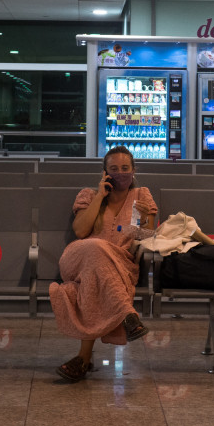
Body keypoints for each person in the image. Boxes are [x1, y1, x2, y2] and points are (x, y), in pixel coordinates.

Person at [49, 145, 157, 382]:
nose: (121, 174)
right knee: (96, 246)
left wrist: (147, 218)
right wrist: (100, 196)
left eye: (125, 169)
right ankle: (127, 314)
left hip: (119, 264)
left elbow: (147, 238)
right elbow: (80, 231)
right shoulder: (88, 195)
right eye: (114, 169)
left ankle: (83, 360)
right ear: (104, 173)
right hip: (78, 258)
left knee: (93, 283)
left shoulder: (142, 196)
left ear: (134, 170)